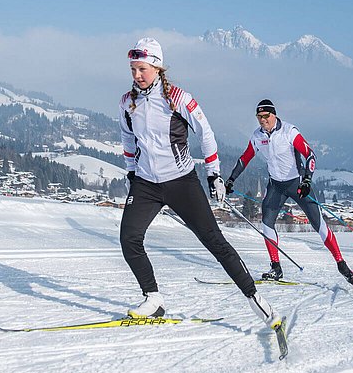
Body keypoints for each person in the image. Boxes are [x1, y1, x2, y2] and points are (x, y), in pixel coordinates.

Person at [118, 37, 281, 330]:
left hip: (181, 182)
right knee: (129, 238)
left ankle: (255, 298)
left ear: (156, 67)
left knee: (214, 241)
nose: (136, 75)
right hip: (145, 184)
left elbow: (206, 134)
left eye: (141, 69)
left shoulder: (178, 98)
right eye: (133, 70)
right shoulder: (127, 102)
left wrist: (213, 173)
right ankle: (153, 299)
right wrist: (131, 172)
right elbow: (128, 139)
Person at [225, 99, 353, 286]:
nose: (263, 120)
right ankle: (276, 267)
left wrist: (307, 179)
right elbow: (245, 158)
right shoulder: (257, 136)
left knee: (319, 225)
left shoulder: (289, 132)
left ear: (274, 115)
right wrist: (232, 179)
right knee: (266, 223)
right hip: (276, 186)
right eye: (259, 117)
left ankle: (342, 265)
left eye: (266, 116)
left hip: (297, 184)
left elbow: (310, 155)